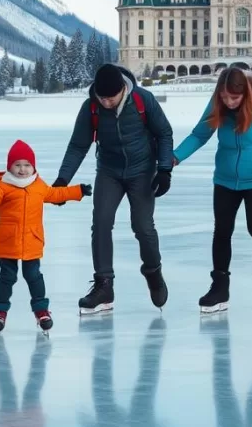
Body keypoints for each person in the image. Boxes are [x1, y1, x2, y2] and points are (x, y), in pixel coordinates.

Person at [172, 68, 252, 312]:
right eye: (225, 97)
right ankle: (220, 288)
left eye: (235, 97)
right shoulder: (217, 105)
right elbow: (199, 135)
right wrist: (175, 158)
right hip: (225, 179)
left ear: (245, 94)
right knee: (221, 231)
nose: (229, 102)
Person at [54, 64, 174, 315]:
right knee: (100, 222)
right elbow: (78, 145)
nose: (107, 102)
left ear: (123, 90)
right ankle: (104, 285)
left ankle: (153, 271)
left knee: (142, 226)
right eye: (102, 97)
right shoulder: (91, 107)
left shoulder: (143, 100)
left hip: (142, 170)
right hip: (109, 171)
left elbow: (163, 133)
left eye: (111, 98)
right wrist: (62, 181)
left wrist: (164, 169)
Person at [0, 140, 89, 332]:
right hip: (8, 240)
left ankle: (42, 311)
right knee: (7, 277)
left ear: (33, 167)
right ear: (9, 166)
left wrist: (77, 191)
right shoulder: (3, 187)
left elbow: (55, 194)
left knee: (34, 276)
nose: (22, 169)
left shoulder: (38, 185)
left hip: (32, 240)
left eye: (27, 165)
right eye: (17, 165)